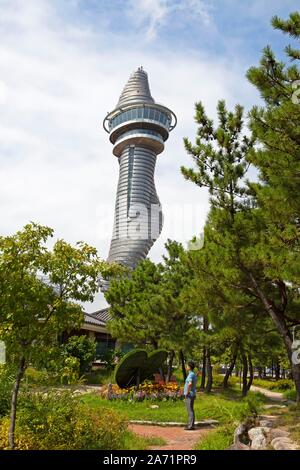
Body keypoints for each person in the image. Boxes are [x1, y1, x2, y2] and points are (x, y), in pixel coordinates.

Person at [183, 361, 197, 430]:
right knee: (191, 410)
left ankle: (190, 426)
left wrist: (187, 392)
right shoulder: (193, 374)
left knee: (190, 410)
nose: (186, 367)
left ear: (189, 367)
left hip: (189, 395)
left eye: (187, 366)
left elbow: (190, 384)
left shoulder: (191, 374)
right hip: (192, 394)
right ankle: (191, 425)